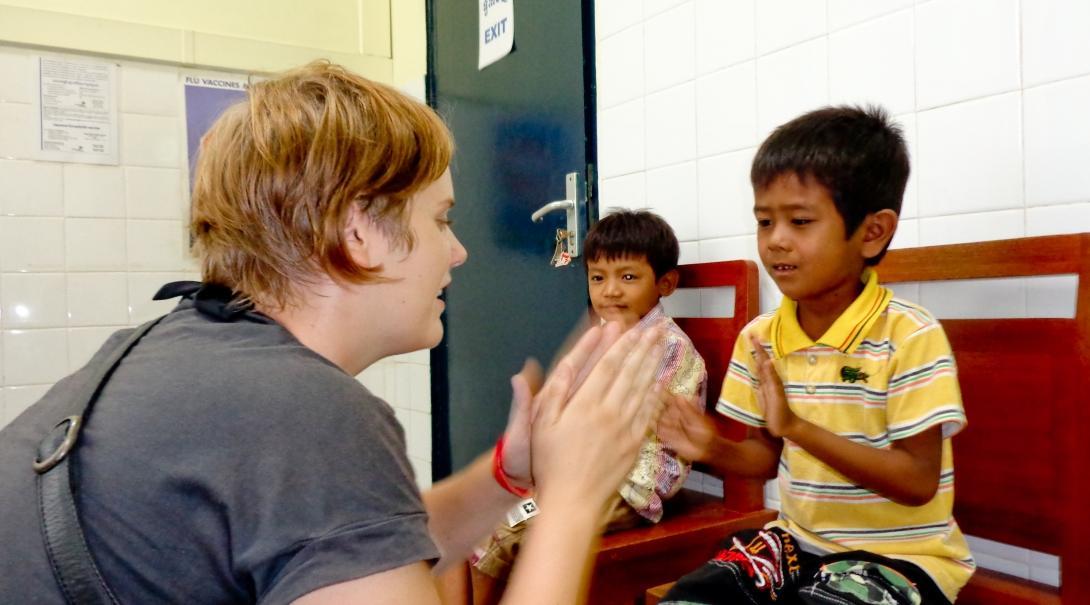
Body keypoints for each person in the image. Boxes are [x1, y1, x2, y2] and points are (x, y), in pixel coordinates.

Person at [0, 61, 668, 605]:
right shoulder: (304, 413)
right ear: (359, 232)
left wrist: (508, 475)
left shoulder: (176, 352)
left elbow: (349, 550)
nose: (458, 252)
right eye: (441, 219)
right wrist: (576, 497)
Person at [657, 106, 975, 605]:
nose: (776, 239)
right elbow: (764, 458)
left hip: (904, 560)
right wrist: (711, 448)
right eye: (765, 221)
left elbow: (917, 482)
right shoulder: (761, 339)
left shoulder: (910, 336)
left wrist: (800, 429)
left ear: (872, 232)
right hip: (796, 545)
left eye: (800, 220)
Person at [472, 210, 707, 588]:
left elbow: (624, 433)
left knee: (503, 537)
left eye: (628, 277)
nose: (610, 290)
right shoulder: (602, 338)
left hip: (630, 487)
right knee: (474, 523)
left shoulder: (668, 348)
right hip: (584, 473)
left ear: (666, 283)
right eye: (598, 278)